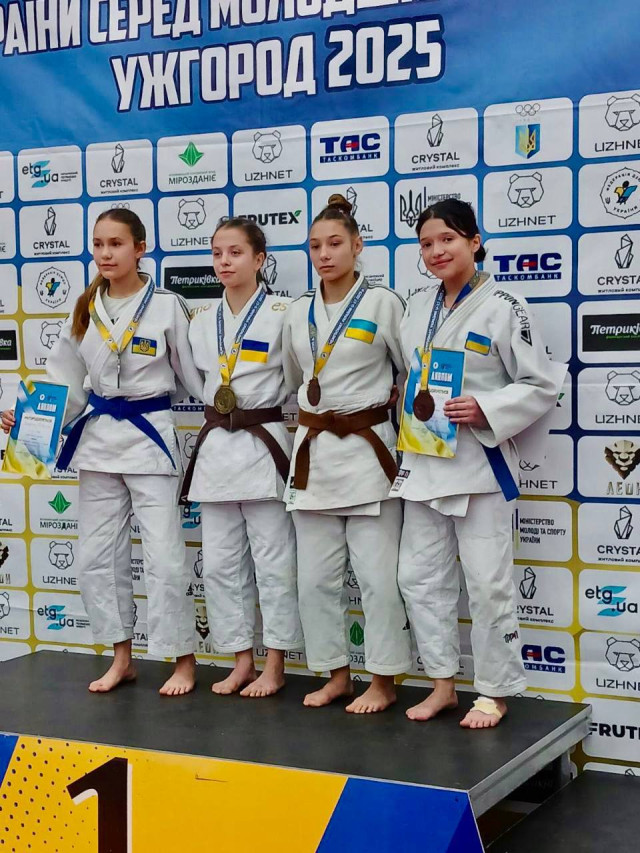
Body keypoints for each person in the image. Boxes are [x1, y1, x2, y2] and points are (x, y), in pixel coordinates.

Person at [3, 208, 204, 696]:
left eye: (116, 244)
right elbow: (65, 382)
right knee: (96, 557)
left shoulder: (166, 306)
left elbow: (193, 377)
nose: (105, 253)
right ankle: (121, 658)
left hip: (149, 438)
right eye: (98, 244)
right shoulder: (85, 306)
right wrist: (28, 419)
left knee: (165, 558)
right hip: (97, 442)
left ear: (139, 248)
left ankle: (182, 660)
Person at [393, 199, 565, 728]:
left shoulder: (505, 305)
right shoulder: (415, 306)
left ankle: (493, 691)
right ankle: (442, 684)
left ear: (474, 241)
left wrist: (486, 407)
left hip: (479, 463)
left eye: (447, 239)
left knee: (488, 583)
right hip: (424, 460)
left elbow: (540, 384)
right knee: (419, 579)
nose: (436, 251)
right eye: (426, 243)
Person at [283, 194, 412, 713]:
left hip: (368, 452)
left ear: (357, 246)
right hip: (314, 455)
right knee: (315, 580)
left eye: (335, 243)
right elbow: (295, 379)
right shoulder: (297, 312)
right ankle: (336, 674)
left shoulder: (384, 304)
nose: (324, 254)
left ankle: (383, 680)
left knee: (379, 580)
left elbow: (411, 369)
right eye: (315, 245)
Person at [181, 217, 303, 697]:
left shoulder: (283, 312)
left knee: (274, 561)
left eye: (235, 253)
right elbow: (197, 381)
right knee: (219, 564)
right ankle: (240, 660)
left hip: (262, 443)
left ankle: (275, 663)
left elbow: (296, 376)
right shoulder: (201, 320)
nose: (224, 262)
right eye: (217, 253)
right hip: (216, 447)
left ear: (259, 259)